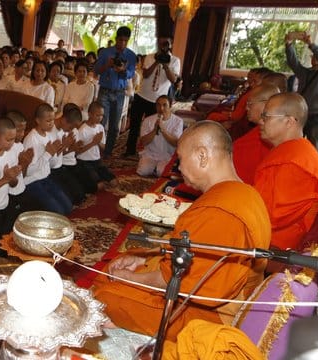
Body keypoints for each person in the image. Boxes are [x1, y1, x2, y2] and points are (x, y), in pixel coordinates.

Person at [93, 120, 271, 341]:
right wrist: (142, 261)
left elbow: (184, 283)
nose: (178, 167)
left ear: (202, 156)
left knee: (105, 293)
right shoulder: (245, 193)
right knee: (121, 264)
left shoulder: (220, 212)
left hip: (211, 316)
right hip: (200, 292)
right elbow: (189, 255)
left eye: (180, 159)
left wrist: (131, 278)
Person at [254, 92, 318, 251]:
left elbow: (273, 216)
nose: (260, 121)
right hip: (265, 236)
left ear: (289, 121)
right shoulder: (289, 152)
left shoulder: (296, 162)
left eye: (266, 116)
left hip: (278, 248)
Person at [124, 37, 180, 157]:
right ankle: (130, 150)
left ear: (170, 44)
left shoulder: (175, 61)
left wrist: (165, 65)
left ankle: (149, 152)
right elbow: (146, 75)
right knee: (134, 124)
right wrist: (157, 61)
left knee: (152, 127)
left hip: (158, 101)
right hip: (142, 96)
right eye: (160, 43)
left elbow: (173, 79)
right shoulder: (150, 57)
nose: (162, 46)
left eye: (165, 43)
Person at [22, 103, 73, 215]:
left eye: (53, 120)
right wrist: (47, 154)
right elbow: (28, 172)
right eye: (48, 121)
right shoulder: (31, 139)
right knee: (59, 212)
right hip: (33, 182)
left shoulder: (49, 135)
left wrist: (58, 150)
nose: (51, 124)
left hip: (46, 178)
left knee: (68, 207)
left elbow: (52, 164)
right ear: (38, 120)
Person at [95, 26, 137, 158]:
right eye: (120, 40)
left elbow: (130, 74)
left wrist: (123, 70)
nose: (122, 43)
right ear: (116, 39)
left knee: (114, 125)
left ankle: (108, 151)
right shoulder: (105, 53)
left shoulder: (131, 55)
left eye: (125, 40)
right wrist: (107, 65)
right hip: (105, 90)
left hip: (119, 92)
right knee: (101, 122)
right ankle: (96, 150)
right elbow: (96, 71)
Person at [285, 31, 318, 153]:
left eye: (316, 56)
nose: (314, 58)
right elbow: (293, 62)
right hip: (302, 112)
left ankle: (313, 167)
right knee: (294, 141)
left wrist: (311, 44)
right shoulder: (306, 73)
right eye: (312, 56)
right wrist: (288, 44)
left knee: (315, 144)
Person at [232, 84, 279, 185]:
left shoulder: (267, 137)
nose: (246, 108)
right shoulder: (257, 133)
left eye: (250, 104)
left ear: (267, 104)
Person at [136, 95, 184, 177]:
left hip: (167, 156)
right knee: (143, 171)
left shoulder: (178, 121)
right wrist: (155, 130)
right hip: (150, 155)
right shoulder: (148, 120)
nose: (161, 108)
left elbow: (175, 143)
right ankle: (153, 167)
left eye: (164, 105)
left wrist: (163, 130)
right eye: (158, 105)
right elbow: (143, 142)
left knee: (162, 172)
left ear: (170, 106)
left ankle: (156, 169)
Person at [76, 102, 117, 189]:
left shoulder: (100, 127)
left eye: (102, 115)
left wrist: (98, 142)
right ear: (90, 114)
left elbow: (104, 148)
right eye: (97, 115)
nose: (100, 118)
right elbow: (77, 152)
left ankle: (98, 177)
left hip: (97, 160)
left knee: (114, 182)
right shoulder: (82, 130)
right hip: (84, 162)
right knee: (98, 185)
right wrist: (93, 143)